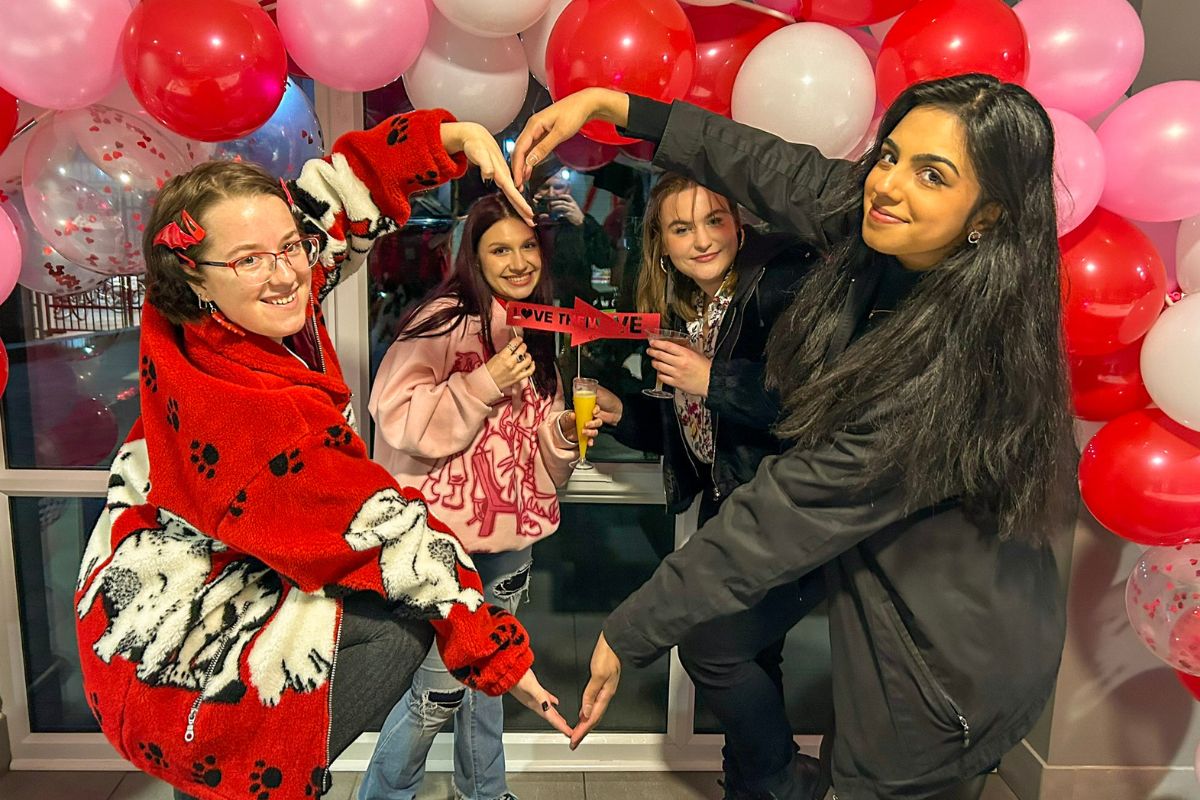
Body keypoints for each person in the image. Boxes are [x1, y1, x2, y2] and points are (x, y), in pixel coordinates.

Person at [512, 74, 1078, 800]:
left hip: (949, 670)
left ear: (990, 214)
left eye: (932, 175)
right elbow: (780, 170)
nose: (888, 185)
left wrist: (629, 628)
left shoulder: (955, 365)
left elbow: (785, 509)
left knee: (871, 774)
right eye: (890, 156)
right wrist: (618, 108)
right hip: (895, 611)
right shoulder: (886, 234)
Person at [75, 111, 570, 800]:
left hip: (200, 568)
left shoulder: (213, 308)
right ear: (192, 276)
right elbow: (388, 534)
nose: (287, 275)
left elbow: (338, 197)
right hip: (175, 642)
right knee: (397, 635)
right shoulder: (258, 417)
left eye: (289, 247)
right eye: (250, 260)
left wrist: (447, 140)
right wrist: (496, 653)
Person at [360, 193, 602, 800]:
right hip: (440, 551)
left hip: (509, 547)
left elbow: (535, 452)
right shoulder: (440, 320)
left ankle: (486, 793)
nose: (518, 262)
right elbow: (395, 416)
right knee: (436, 696)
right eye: (500, 249)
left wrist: (562, 435)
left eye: (527, 246)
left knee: (490, 683)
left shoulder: (537, 324)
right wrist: (482, 383)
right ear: (473, 254)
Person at [592, 171, 817, 795]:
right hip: (731, 510)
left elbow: (805, 402)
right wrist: (622, 411)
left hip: (787, 513)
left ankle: (786, 781)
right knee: (755, 657)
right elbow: (690, 424)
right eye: (681, 228)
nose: (701, 239)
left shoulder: (774, 290)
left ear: (738, 226)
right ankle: (751, 787)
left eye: (714, 220)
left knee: (708, 646)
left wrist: (711, 378)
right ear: (661, 244)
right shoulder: (688, 314)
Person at [531, 164, 617, 309]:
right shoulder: (527, 222)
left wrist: (583, 223)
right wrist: (531, 218)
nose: (551, 194)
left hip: (575, 305)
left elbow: (606, 259)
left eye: (558, 187)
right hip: (537, 304)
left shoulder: (581, 222)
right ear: (535, 191)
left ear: (568, 189)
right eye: (545, 187)